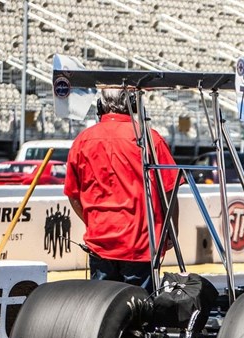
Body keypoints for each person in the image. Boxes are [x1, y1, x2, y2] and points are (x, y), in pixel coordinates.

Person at [64, 88, 179, 292]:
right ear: (133, 104)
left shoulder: (82, 140)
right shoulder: (149, 138)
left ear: (100, 106)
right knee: (140, 307)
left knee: (102, 307)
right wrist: (172, 232)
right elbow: (169, 192)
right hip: (141, 243)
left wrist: (94, 223)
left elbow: (73, 196)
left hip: (100, 243)